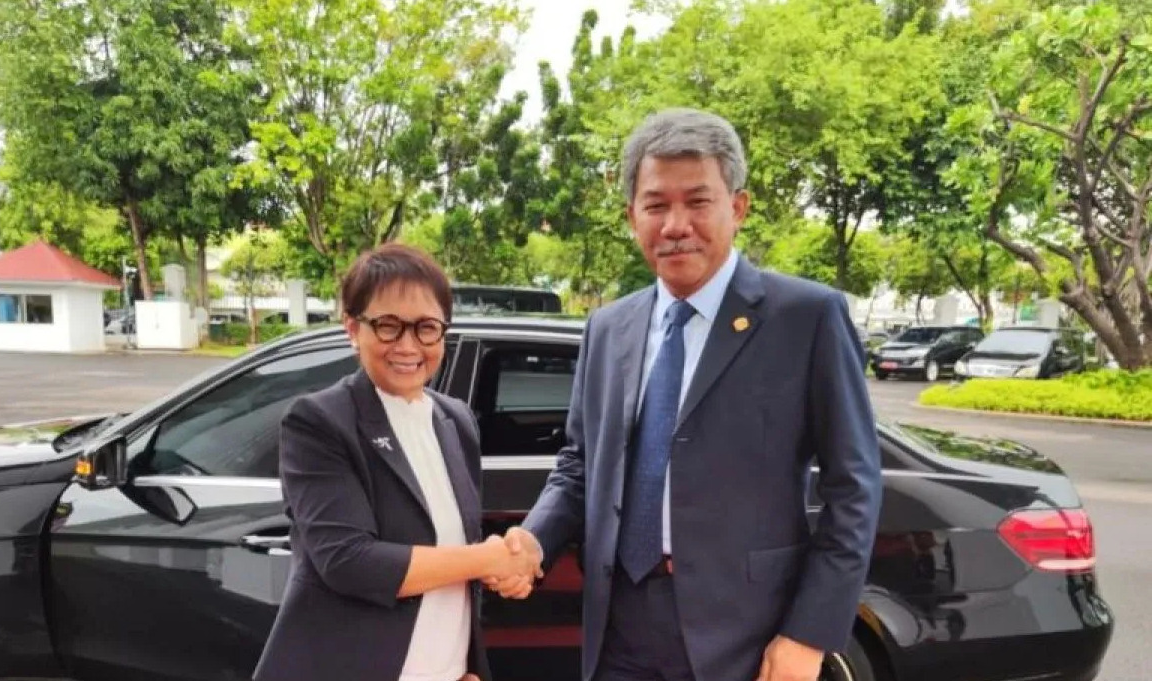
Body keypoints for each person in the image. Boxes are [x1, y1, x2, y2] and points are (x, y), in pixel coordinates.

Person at [492, 109, 882, 681]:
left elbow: (855, 487)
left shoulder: (806, 317)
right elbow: (579, 466)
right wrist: (533, 539)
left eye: (698, 202)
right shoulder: (607, 328)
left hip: (745, 632)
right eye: (656, 205)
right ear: (632, 216)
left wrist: (809, 633)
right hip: (619, 625)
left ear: (738, 207)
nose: (675, 224)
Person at [254, 244, 539, 681]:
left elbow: (453, 552)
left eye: (426, 327)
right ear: (353, 328)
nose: (408, 345)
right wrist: (487, 559)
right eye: (388, 326)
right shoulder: (319, 422)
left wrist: (464, 657)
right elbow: (350, 562)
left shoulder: (456, 420)